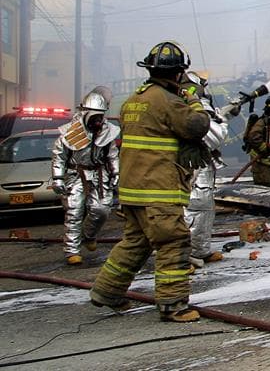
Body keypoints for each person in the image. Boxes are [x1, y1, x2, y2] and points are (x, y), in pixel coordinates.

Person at [90, 41, 210, 323]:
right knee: (174, 242)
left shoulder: (134, 100)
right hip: (159, 189)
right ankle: (173, 305)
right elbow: (197, 126)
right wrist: (194, 99)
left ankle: (106, 292)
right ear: (178, 72)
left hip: (133, 190)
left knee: (135, 242)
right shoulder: (168, 101)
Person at [51, 87, 120, 266]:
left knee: (102, 209)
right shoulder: (70, 133)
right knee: (74, 212)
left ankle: (88, 235)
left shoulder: (107, 132)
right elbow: (59, 156)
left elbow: (112, 155)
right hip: (76, 175)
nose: (98, 120)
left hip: (99, 174)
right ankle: (72, 251)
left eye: (100, 116)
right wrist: (58, 178)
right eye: (95, 116)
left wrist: (116, 172)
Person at [180, 71, 230, 268]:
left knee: (205, 209)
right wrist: (223, 120)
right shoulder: (196, 106)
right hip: (193, 166)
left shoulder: (185, 104)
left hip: (199, 163)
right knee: (192, 209)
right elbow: (215, 137)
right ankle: (184, 257)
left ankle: (200, 251)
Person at [243, 95, 270, 189]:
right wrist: (265, 148)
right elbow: (253, 136)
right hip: (261, 163)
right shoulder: (262, 121)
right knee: (265, 187)